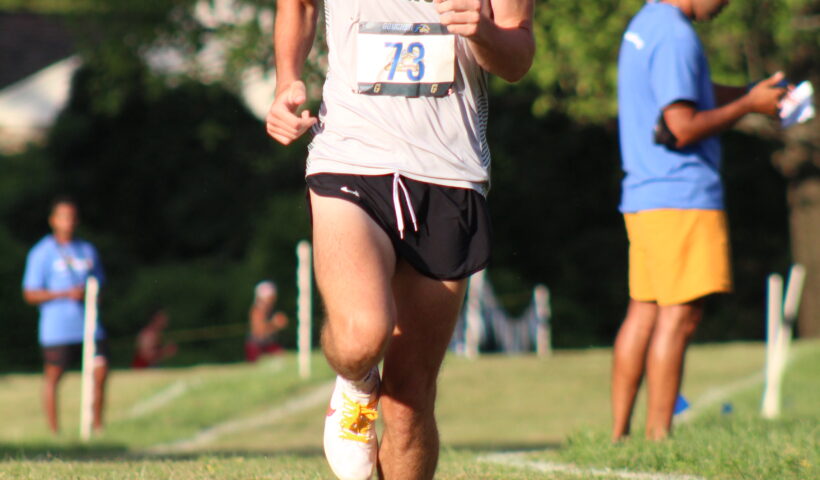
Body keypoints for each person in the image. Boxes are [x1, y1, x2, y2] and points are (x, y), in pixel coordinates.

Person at [266, 0, 534, 478]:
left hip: (450, 175)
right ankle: (355, 385)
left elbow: (518, 55)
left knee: (409, 403)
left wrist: (482, 32)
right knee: (360, 337)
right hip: (350, 157)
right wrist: (287, 79)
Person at [613, 0, 787, 441]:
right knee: (680, 316)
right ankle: (658, 436)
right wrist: (749, 104)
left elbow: (687, 91)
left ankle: (620, 435)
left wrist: (751, 92)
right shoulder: (676, 33)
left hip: (645, 193)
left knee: (645, 312)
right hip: (680, 195)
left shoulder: (646, 22)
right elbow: (683, 125)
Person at [22, 197, 109, 434]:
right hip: (57, 328)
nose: (68, 222)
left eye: (72, 217)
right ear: (53, 221)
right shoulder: (41, 252)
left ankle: (97, 426)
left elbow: (101, 284)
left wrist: (91, 294)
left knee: (100, 371)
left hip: (89, 323)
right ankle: (54, 431)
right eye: (63, 217)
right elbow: (30, 293)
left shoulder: (87, 250)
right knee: (53, 376)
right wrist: (63, 294)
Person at [245, 280, 288, 362]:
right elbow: (259, 331)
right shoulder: (257, 311)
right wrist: (275, 324)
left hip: (267, 344)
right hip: (257, 347)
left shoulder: (269, 310)